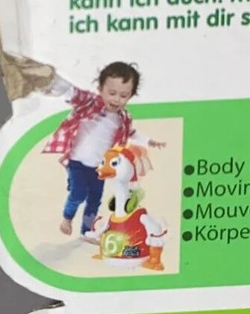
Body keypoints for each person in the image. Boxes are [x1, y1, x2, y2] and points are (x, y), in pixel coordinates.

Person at [43, 62, 163, 238]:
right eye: (112, 93)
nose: (116, 99)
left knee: (95, 199)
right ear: (100, 89)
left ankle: (87, 231)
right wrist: (50, 79)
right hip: (77, 161)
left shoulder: (123, 118)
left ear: (131, 95)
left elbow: (130, 133)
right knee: (78, 193)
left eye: (123, 95)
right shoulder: (90, 103)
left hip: (99, 167)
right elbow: (72, 92)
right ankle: (67, 218)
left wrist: (148, 141)